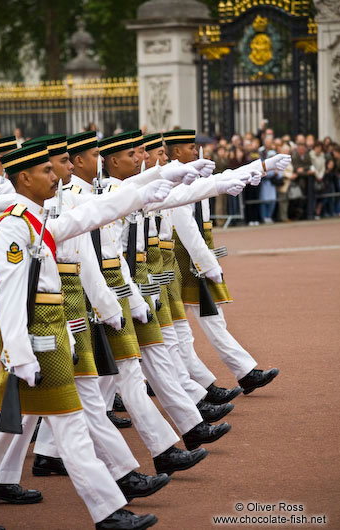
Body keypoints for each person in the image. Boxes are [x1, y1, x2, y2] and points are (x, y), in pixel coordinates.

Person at [0, 142, 174, 529]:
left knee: (1, 430)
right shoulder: (12, 225)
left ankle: (107, 509)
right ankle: (107, 512)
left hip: (50, 335)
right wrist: (21, 355)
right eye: (46, 172)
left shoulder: (35, 221)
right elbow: (11, 297)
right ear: (24, 177)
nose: (56, 176)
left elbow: (86, 215)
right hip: (38, 342)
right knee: (70, 426)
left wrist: (138, 193)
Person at [67, 130, 210, 475]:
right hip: (90, 296)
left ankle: (178, 436)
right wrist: (114, 302)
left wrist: (169, 174)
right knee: (106, 381)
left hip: (117, 286)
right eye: (93, 155)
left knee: (110, 379)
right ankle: (169, 443)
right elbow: (92, 254)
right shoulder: (76, 197)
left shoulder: (100, 191)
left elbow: (116, 248)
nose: (99, 160)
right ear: (77, 161)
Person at [163, 129, 290, 395]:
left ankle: (237, 374)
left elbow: (221, 180)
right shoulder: (174, 178)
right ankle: (236, 375)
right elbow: (187, 227)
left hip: (194, 255)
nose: (195, 150)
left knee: (188, 324)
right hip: (187, 257)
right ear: (176, 152)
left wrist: (262, 166)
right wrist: (207, 263)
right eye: (189, 147)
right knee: (188, 324)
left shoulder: (192, 173)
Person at [259, 149, 278, 224]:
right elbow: (263, 174)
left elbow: (280, 174)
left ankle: (269, 216)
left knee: (272, 201)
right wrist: (273, 174)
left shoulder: (277, 164)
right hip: (265, 185)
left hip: (272, 186)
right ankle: (264, 217)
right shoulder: (264, 164)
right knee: (264, 201)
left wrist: (275, 174)